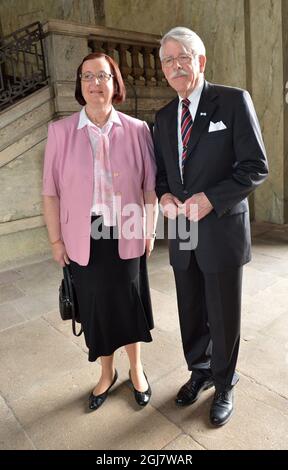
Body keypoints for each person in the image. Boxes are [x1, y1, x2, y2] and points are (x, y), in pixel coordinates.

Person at [153, 27, 268, 426]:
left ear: (200, 61)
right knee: (191, 309)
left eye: (183, 57)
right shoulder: (164, 116)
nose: (176, 66)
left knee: (223, 313)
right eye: (168, 60)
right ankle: (199, 370)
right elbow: (163, 175)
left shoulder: (233, 101)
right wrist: (164, 196)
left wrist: (211, 199)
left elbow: (256, 167)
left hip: (220, 227)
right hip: (182, 231)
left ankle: (224, 382)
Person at [42, 52, 158, 411]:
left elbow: (148, 188)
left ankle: (136, 369)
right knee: (95, 306)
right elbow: (51, 191)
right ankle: (106, 373)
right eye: (87, 76)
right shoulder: (60, 132)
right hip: (84, 236)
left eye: (103, 76)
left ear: (115, 82)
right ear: (80, 85)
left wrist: (149, 231)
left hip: (126, 230)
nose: (95, 83)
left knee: (128, 301)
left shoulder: (138, 130)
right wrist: (56, 240)